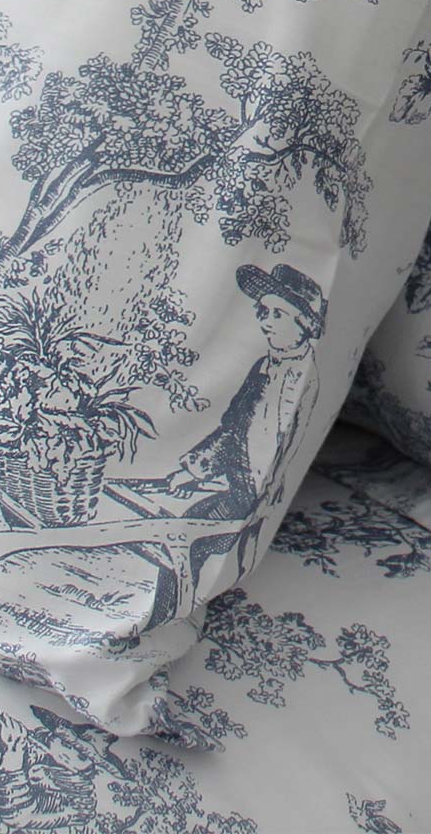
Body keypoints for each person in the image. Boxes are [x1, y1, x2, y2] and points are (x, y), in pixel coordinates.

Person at [150, 262, 326, 616]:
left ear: (303, 323)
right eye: (263, 311)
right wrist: (193, 471)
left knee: (185, 542)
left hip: (263, 498)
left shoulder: (303, 380)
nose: (265, 320)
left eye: (278, 313)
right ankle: (168, 612)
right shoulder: (262, 368)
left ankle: (177, 612)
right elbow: (232, 429)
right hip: (240, 488)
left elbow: (278, 450)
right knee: (176, 536)